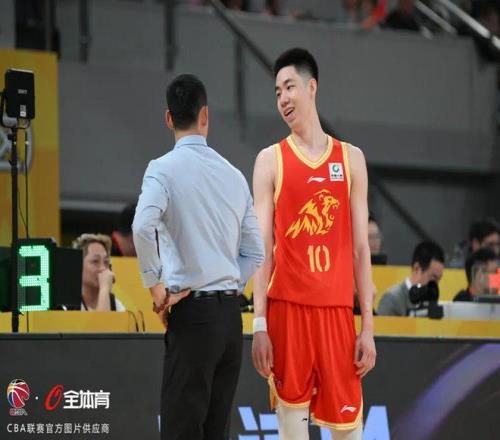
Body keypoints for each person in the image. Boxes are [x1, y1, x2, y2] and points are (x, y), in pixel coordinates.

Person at [251, 48, 376, 439]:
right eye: (277, 92)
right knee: (292, 429)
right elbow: (261, 248)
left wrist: (367, 327)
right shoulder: (269, 160)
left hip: (337, 313)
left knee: (348, 431)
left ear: (311, 87)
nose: (283, 98)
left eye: (289, 87)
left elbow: (361, 249)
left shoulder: (351, 159)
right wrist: (258, 324)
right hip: (287, 311)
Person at [132, 74, 264, 440]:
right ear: (205, 115)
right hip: (230, 320)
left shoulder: (162, 169)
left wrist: (156, 288)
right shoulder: (234, 175)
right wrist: (227, 283)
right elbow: (256, 252)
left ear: (168, 118)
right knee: (215, 431)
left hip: (191, 316)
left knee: (181, 430)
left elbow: (142, 227)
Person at [377, 241, 444, 316]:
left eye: (439, 279)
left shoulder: (430, 302)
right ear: (417, 269)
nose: (436, 284)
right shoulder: (391, 299)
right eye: (434, 277)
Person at [72, 233, 126, 312]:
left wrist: (104, 290)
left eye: (106, 262)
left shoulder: (116, 305)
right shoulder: (67, 305)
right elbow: (100, 320)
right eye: (95, 261)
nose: (103, 268)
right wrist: (104, 288)